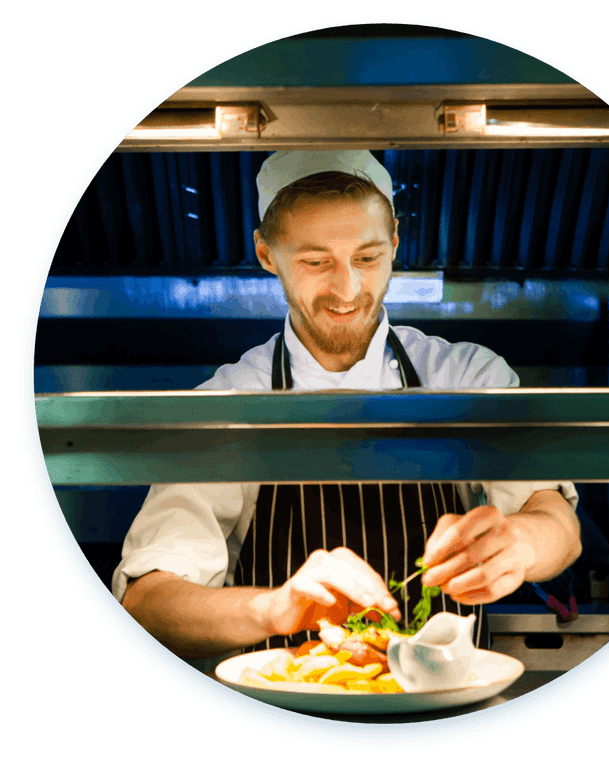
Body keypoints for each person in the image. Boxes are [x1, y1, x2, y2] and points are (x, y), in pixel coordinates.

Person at [114, 150, 582, 660]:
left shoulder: (466, 375)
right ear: (267, 253)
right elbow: (148, 599)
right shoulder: (230, 401)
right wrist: (274, 607)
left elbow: (555, 519)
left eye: (367, 257)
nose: (348, 289)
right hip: (281, 708)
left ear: (396, 242)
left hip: (445, 708)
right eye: (316, 261)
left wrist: (520, 543)